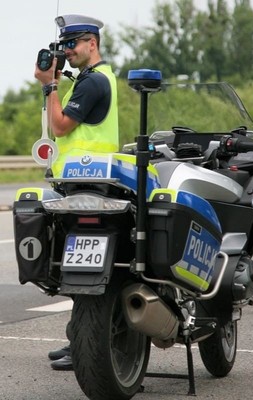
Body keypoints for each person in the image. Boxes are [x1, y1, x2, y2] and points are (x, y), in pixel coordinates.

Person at [34, 14, 119, 370]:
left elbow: (60, 125)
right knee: (79, 265)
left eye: (73, 44)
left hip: (89, 183)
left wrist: (49, 86)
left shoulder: (93, 83)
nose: (67, 51)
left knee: (83, 266)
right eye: (64, 45)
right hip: (84, 181)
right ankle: (78, 339)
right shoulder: (89, 79)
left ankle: (86, 342)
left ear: (92, 43)